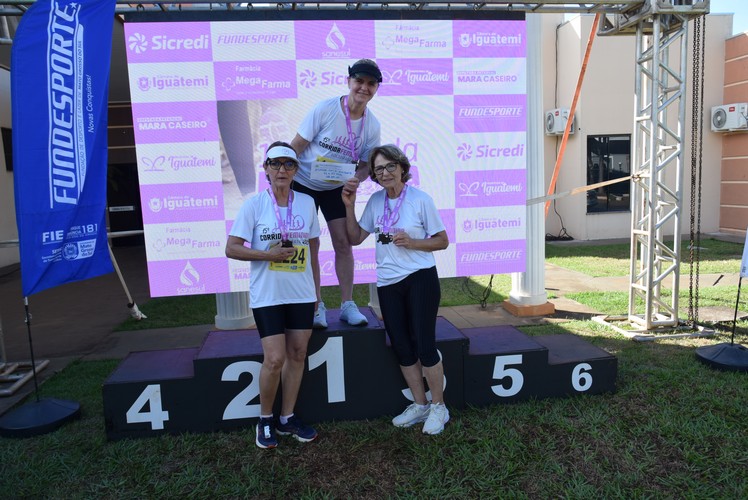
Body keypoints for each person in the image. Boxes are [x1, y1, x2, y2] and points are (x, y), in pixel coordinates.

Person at [341, 144, 451, 435]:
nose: (385, 173)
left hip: (420, 277)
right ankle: (420, 404)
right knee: (401, 346)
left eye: (390, 166)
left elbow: (442, 241)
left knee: (425, 346)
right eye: (379, 169)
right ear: (374, 175)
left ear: (402, 168)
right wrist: (349, 206)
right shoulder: (376, 202)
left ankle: (439, 406)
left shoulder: (420, 199)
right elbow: (354, 237)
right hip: (388, 282)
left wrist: (413, 242)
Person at [225, 141, 320, 449]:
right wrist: (269, 256)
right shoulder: (254, 205)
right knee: (275, 358)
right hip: (268, 295)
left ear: (296, 170)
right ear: (265, 169)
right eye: (275, 164)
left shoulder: (306, 203)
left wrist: (317, 293)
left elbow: (314, 252)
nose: (282, 169)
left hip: (301, 294)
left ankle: (287, 417)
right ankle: (265, 419)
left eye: (288, 164)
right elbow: (232, 248)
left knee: (297, 355)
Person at [290, 58, 383, 329]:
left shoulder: (372, 125)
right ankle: (317, 305)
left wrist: (357, 178)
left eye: (371, 84)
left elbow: (366, 164)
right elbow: (296, 145)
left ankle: (347, 304)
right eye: (359, 81)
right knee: (310, 244)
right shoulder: (326, 109)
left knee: (344, 244)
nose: (364, 88)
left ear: (376, 88)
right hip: (304, 183)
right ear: (349, 81)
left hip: (336, 188)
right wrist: (281, 180)